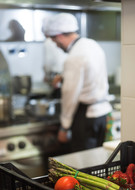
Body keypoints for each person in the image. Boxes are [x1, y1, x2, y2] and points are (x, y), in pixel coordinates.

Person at [42, 13, 112, 152]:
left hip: (86, 118)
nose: (57, 46)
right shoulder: (91, 44)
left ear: (60, 36)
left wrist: (64, 127)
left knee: (84, 163)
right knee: (99, 160)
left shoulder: (73, 57)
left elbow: (70, 95)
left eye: (55, 41)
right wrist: (63, 76)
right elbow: (89, 74)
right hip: (102, 114)